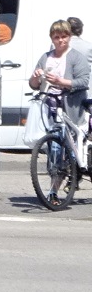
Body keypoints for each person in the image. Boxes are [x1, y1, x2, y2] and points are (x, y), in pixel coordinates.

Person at [29, 20, 90, 198]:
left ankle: (75, 171)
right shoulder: (46, 57)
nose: (61, 40)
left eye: (64, 37)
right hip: (51, 105)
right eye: (57, 37)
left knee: (69, 145)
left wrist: (61, 82)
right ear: (52, 39)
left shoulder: (76, 57)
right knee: (54, 148)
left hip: (71, 106)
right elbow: (33, 84)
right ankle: (53, 190)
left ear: (69, 37)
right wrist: (36, 77)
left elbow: (83, 81)